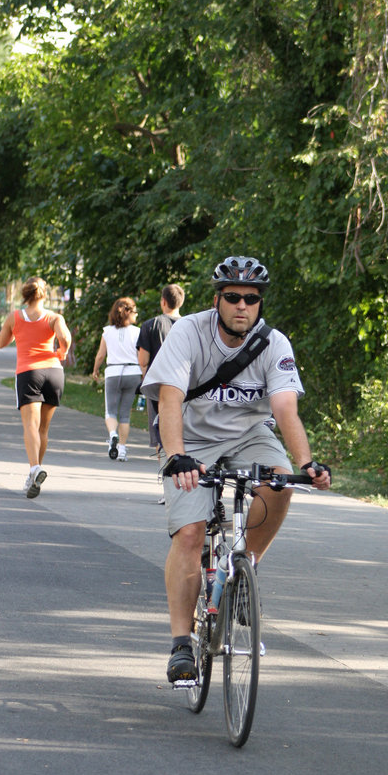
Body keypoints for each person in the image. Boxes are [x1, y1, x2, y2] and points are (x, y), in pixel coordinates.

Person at [141, 255, 331, 683]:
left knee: (281, 484)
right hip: (190, 440)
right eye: (232, 297)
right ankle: (180, 645)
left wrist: (306, 463)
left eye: (251, 298)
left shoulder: (273, 343)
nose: (242, 305)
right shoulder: (189, 331)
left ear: (260, 302)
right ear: (217, 299)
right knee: (190, 533)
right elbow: (169, 396)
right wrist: (175, 455)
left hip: (249, 435)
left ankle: (246, 565)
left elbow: (285, 408)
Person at [0, 276, 72, 499]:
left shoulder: (14, 317)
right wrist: (63, 351)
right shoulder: (54, 317)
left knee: (30, 425)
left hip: (29, 372)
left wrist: (16, 332)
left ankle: (34, 469)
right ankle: (34, 473)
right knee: (43, 430)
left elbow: (1, 343)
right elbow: (65, 337)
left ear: (25, 295)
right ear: (44, 294)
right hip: (54, 372)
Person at [136, 283, 185, 453]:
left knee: (160, 433)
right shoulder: (189, 326)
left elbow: (143, 360)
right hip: (185, 385)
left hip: (158, 385)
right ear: (181, 302)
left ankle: (164, 468)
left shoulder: (151, 325)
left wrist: (144, 376)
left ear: (163, 301)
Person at [91, 297, 141, 462]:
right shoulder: (137, 332)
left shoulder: (107, 332)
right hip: (133, 372)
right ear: (128, 314)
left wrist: (95, 370)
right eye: (134, 311)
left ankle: (113, 435)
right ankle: (122, 450)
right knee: (125, 414)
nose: (137, 314)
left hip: (113, 371)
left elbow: (100, 355)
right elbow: (142, 356)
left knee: (110, 411)